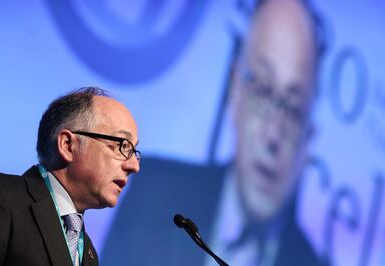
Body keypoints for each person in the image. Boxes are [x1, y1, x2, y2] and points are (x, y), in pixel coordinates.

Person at [103, 0, 324, 265]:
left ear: (308, 137)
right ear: (235, 90)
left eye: (293, 109)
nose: (273, 134)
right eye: (263, 91)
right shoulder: (155, 196)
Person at [0, 87, 140, 266]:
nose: (134, 166)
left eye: (134, 151)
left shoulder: (88, 252)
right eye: (122, 145)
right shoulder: (0, 197)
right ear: (67, 145)